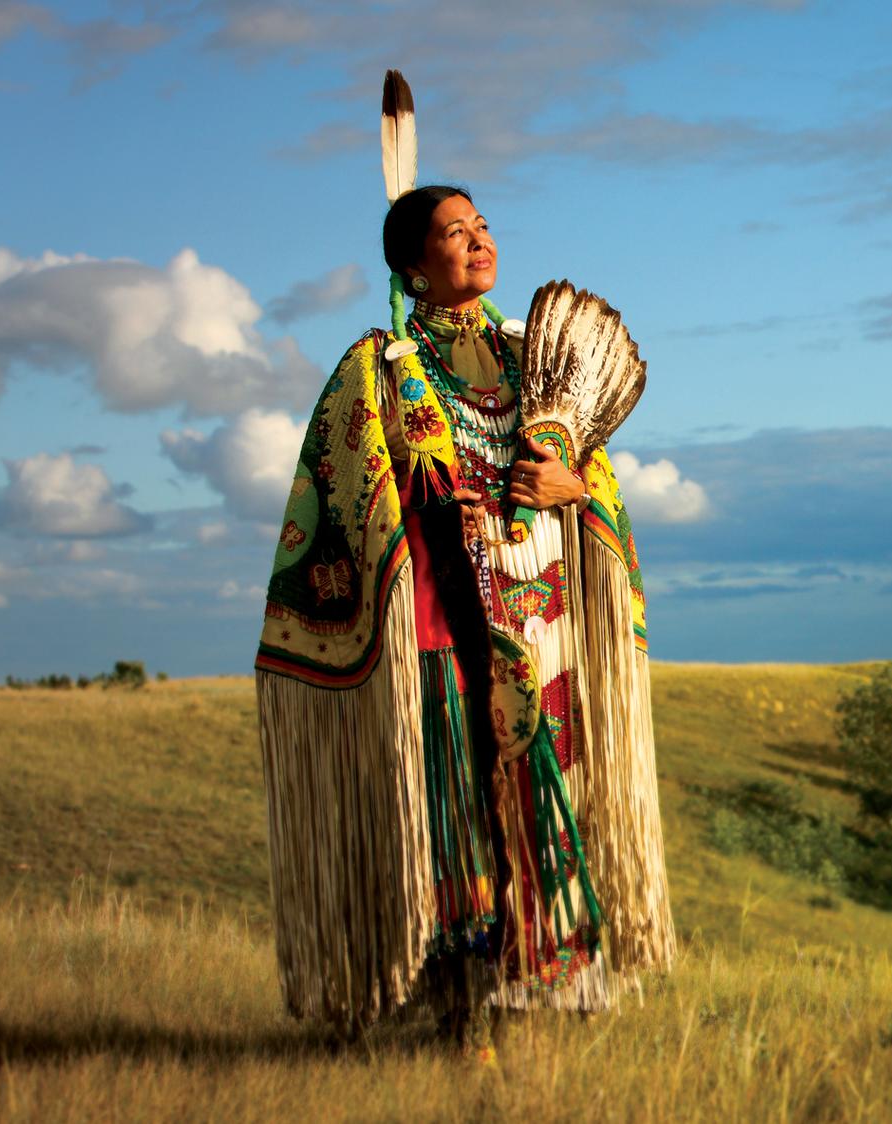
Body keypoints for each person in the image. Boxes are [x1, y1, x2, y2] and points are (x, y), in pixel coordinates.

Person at [254, 184, 674, 1061]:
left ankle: (542, 1000)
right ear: (413, 265)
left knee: (544, 803)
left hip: (543, 622)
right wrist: (425, 498)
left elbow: (590, 483)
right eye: (454, 233)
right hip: (443, 630)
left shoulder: (538, 359)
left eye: (481, 226)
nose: (478, 242)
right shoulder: (379, 367)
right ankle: (462, 1019)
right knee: (457, 820)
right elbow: (336, 488)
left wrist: (568, 486)